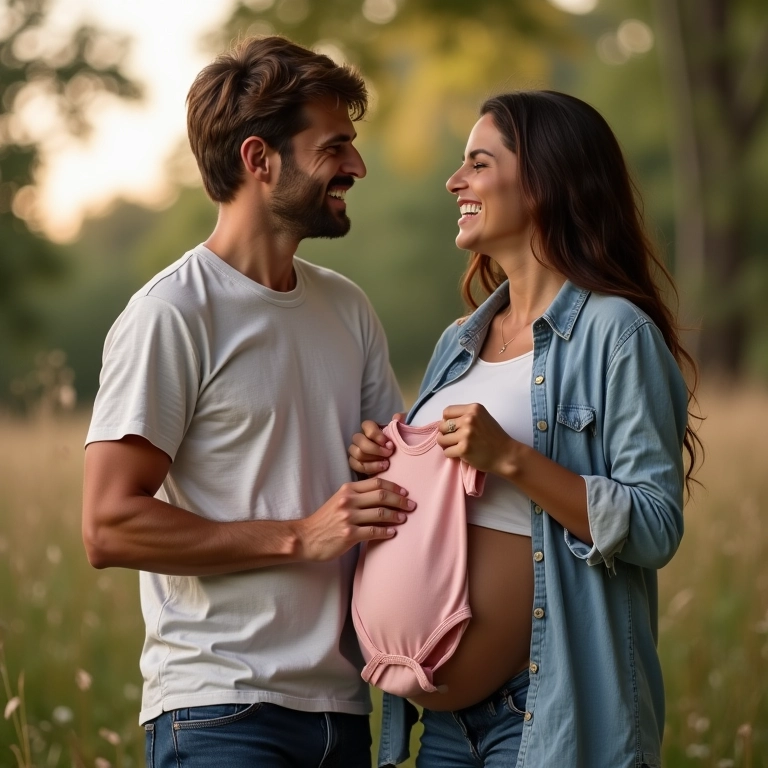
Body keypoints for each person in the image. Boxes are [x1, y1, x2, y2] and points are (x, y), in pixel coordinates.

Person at [81, 35, 413, 768]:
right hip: (221, 714)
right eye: (335, 148)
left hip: (345, 711)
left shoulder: (347, 307)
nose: (356, 166)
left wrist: (379, 461)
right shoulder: (172, 313)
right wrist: (299, 534)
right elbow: (109, 526)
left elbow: (394, 489)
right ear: (259, 160)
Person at [348, 90, 700, 768]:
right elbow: (449, 490)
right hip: (442, 728)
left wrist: (511, 459)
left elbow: (655, 525)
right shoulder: (460, 340)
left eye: (478, 164)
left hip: (550, 715)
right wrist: (386, 462)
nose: (456, 182)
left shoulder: (616, 334)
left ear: (541, 181)